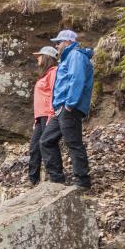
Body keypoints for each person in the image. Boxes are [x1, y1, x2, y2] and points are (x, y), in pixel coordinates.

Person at [40, 29, 95, 189]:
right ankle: (57, 181)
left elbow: (77, 79)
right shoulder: (66, 58)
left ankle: (82, 182)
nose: (56, 45)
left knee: (73, 143)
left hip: (69, 106)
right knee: (46, 141)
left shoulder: (75, 55)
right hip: (62, 108)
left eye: (59, 42)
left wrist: (70, 104)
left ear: (68, 42)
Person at [29, 46, 59, 185]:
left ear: (47, 57)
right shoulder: (44, 75)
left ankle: (55, 178)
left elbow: (54, 93)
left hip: (48, 115)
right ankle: (33, 180)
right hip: (40, 116)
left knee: (47, 144)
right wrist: (36, 119)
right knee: (34, 147)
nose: (38, 58)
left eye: (40, 56)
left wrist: (52, 114)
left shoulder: (53, 72)